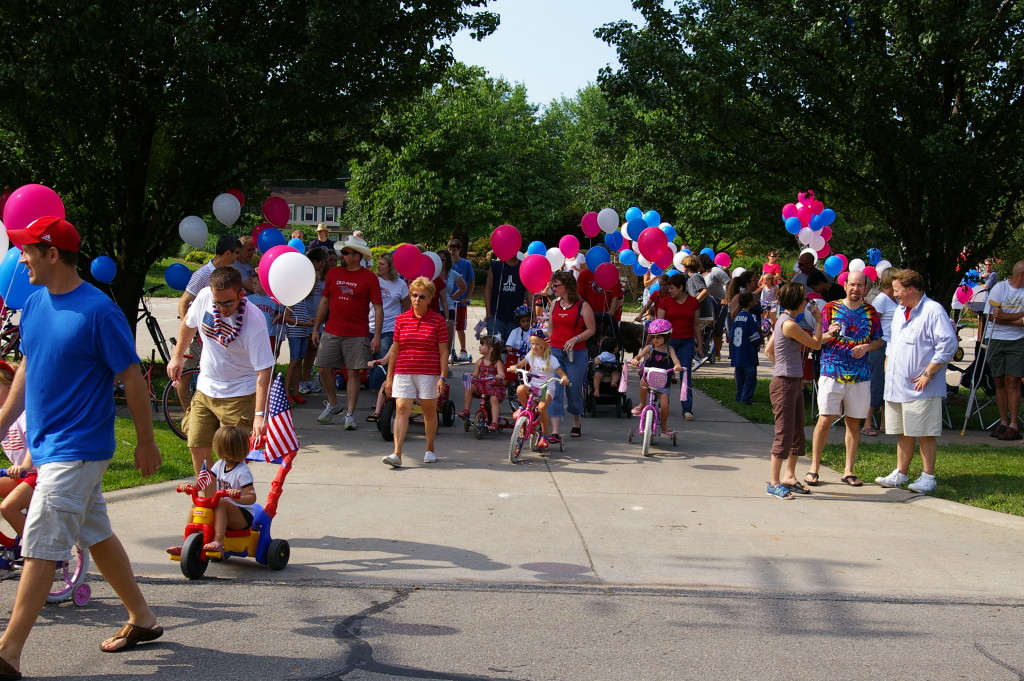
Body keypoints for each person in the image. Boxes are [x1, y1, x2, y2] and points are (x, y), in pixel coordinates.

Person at [0, 217, 162, 673]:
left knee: (41, 541)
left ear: (52, 253)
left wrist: (146, 442)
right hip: (50, 445)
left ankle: (8, 651)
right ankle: (143, 619)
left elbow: (131, 376)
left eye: (28, 250)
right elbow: (28, 370)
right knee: (96, 532)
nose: (21, 258)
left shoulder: (98, 311)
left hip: (79, 448)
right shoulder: (34, 304)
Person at [169, 266, 274, 481]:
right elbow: (188, 324)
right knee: (197, 446)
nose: (222, 308)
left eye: (228, 302)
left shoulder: (254, 322)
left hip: (239, 396)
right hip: (206, 390)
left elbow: (264, 371)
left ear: (240, 294)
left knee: (231, 460)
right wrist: (177, 356)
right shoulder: (205, 297)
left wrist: (259, 416)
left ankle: (229, 506)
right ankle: (208, 503)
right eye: (218, 302)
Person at [876, 269, 958, 494]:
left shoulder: (933, 311)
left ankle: (928, 477)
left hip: (922, 387)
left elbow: (948, 344)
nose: (895, 295)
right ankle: (900, 473)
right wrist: (888, 364)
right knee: (904, 431)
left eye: (897, 290)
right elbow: (892, 342)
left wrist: (928, 373)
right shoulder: (900, 311)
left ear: (910, 289)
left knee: (925, 432)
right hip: (898, 385)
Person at [805, 270, 883, 487]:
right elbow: (817, 341)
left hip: (860, 375)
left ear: (865, 288)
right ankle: (814, 468)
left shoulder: (871, 312)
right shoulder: (830, 308)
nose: (856, 289)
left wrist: (867, 346)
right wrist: (830, 332)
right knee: (825, 419)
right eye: (852, 285)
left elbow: (879, 341)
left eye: (860, 285)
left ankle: (848, 470)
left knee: (853, 422)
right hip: (832, 372)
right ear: (845, 285)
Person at [312, 234, 382, 429]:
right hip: (332, 330)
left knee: (353, 373)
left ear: (356, 256)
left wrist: (376, 335)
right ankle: (333, 404)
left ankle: (350, 414)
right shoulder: (334, 273)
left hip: (357, 333)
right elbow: (325, 301)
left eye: (345, 252)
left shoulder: (369, 278)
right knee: (323, 367)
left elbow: (378, 307)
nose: (341, 255)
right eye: (341, 252)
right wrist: (316, 328)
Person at [763, 282, 825, 499]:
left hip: (793, 381)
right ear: (798, 301)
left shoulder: (783, 321)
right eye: (805, 299)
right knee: (784, 433)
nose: (807, 302)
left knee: (797, 432)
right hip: (785, 384)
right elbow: (816, 344)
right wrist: (819, 320)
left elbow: (768, 350)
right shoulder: (789, 324)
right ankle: (774, 482)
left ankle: (789, 476)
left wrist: (782, 364)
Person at [382, 277, 449, 467]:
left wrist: (442, 376)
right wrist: (389, 378)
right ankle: (397, 453)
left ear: (430, 299)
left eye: (421, 296)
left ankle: (429, 449)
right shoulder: (401, 319)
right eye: (413, 295)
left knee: (428, 410)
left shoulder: (438, 321)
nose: (416, 299)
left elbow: (443, 351)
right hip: (403, 370)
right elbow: (395, 349)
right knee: (402, 408)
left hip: (428, 371)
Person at [547, 271, 596, 440]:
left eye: (556, 285)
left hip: (576, 353)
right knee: (554, 389)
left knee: (573, 390)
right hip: (555, 352)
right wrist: (549, 340)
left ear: (567, 286)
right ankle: (555, 430)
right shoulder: (554, 304)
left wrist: (575, 339)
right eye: (552, 285)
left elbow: (591, 329)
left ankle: (576, 421)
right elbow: (551, 326)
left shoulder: (583, 306)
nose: (553, 289)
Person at [195, 425, 257, 554]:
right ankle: (190, 541)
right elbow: (206, 480)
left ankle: (218, 541)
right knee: (196, 506)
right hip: (224, 512)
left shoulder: (242, 471)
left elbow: (252, 498)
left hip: (242, 517)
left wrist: (237, 497)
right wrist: (191, 488)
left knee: (221, 502)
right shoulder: (220, 464)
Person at [984, 260, 1024, 440]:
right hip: (996, 338)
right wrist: (1020, 317)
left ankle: (1014, 424)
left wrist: (1005, 316)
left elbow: (1001, 316)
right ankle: (1003, 422)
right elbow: (993, 317)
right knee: (998, 380)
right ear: (1021, 275)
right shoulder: (999, 288)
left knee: (1013, 381)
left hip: (1017, 340)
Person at [514, 329, 569, 451]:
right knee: (520, 389)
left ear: (545, 345)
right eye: (532, 344)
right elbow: (520, 365)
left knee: (542, 407)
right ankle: (525, 409)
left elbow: (561, 373)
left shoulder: (552, 359)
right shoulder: (530, 356)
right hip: (533, 386)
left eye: (538, 344)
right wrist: (515, 367)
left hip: (546, 388)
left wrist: (564, 378)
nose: (534, 347)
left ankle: (544, 436)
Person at [657, 273, 702, 420]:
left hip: (686, 342)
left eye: (672, 288)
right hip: (669, 343)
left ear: (681, 287)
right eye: (668, 288)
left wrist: (700, 344)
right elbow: (658, 324)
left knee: (685, 374)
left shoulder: (693, 302)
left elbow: (696, 324)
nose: (669, 291)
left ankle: (687, 408)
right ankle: (663, 403)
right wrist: (655, 343)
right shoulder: (665, 302)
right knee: (666, 373)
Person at [629, 319, 682, 436]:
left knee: (664, 404)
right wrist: (636, 359)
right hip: (649, 379)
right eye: (653, 337)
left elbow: (675, 360)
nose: (655, 340)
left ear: (666, 337)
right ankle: (642, 404)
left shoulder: (669, 349)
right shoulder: (649, 348)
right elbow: (640, 355)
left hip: (663, 382)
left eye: (658, 337)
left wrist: (677, 365)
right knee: (643, 382)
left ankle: (663, 425)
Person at [0, 361, 35, 538]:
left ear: (12, 388)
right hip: (19, 476)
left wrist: (25, 466)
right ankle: (9, 545)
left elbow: (34, 444)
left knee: (8, 507)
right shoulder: (2, 416)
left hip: (37, 475)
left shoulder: (24, 414)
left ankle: (37, 554)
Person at [864, 269, 897, 435]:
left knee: (887, 384)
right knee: (876, 383)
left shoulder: (896, 300)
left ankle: (884, 423)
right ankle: (867, 422)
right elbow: (872, 323)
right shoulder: (882, 299)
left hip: (892, 347)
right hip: (880, 346)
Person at [369, 251, 410, 361]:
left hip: (390, 328)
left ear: (390, 266)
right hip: (370, 327)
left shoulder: (400, 284)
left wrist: (402, 327)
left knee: (382, 362)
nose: (378, 266)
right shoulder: (373, 280)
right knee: (366, 363)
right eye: (378, 263)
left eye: (382, 264)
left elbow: (407, 308)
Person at [458, 335, 505, 431]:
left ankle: (494, 422)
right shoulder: (480, 361)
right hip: (482, 385)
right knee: (469, 387)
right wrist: (470, 374)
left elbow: (501, 373)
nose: (479, 347)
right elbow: (475, 374)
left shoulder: (497, 362)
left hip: (493, 386)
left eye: (482, 345)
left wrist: (499, 376)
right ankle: (466, 410)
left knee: (494, 399)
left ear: (491, 349)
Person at [484, 252, 532, 344]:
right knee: (494, 348)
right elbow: (488, 289)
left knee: (512, 349)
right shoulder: (495, 266)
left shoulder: (523, 267)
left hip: (515, 317)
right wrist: (488, 313)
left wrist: (532, 314)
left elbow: (529, 292)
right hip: (496, 315)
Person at [299, 248, 329, 394]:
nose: (323, 265)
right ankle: (299, 381)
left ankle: (306, 380)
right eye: (321, 262)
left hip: (316, 320)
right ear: (315, 261)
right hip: (306, 319)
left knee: (312, 351)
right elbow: (301, 295)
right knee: (302, 353)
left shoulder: (319, 276)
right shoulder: (305, 274)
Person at [730, 292, 763, 405]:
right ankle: (746, 398)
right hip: (748, 353)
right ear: (750, 303)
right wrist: (758, 343)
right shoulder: (750, 318)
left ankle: (739, 396)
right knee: (750, 377)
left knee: (740, 377)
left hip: (737, 353)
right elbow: (753, 336)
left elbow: (731, 334)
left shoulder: (737, 317)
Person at [447, 238, 476, 362]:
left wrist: (467, 297)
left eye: (454, 249)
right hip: (448, 301)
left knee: (459, 326)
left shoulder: (466, 264)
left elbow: (471, 281)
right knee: (448, 326)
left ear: (459, 250)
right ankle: (448, 350)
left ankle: (463, 350)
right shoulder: (447, 265)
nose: (452, 252)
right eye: (450, 249)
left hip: (461, 301)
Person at [283, 293, 313, 404]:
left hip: (303, 332)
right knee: (294, 361)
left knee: (299, 362)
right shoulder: (292, 299)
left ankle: (296, 392)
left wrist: (308, 320)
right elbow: (286, 318)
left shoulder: (303, 300)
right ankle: (286, 393)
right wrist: (304, 323)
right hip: (295, 333)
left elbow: (299, 316)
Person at [438, 249, 467, 364]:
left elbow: (463, 287)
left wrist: (454, 296)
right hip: (436, 307)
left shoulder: (452, 274)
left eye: (443, 259)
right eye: (438, 259)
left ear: (447, 261)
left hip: (449, 306)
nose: (440, 261)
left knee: (448, 337)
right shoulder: (433, 272)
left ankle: (445, 363)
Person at [971, 258, 998, 344]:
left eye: (989, 265)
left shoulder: (993, 274)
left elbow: (986, 286)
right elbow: (973, 282)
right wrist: (981, 277)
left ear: (992, 265)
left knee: (987, 318)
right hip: (982, 299)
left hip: (990, 299)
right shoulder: (983, 273)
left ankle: (985, 337)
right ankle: (981, 337)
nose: (987, 267)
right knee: (981, 318)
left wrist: (981, 284)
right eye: (986, 265)